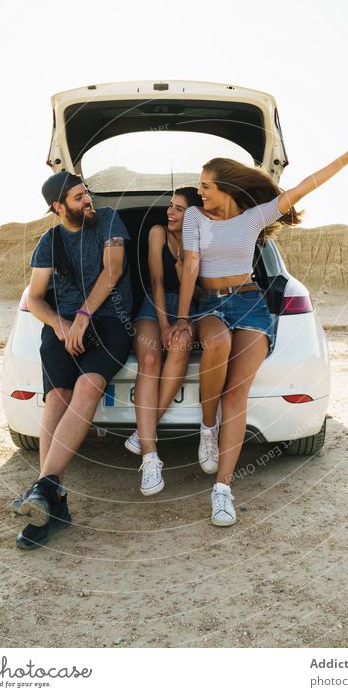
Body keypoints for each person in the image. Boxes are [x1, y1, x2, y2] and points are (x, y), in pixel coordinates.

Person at [170, 132, 348, 527]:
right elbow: (192, 267)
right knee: (217, 341)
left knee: (238, 393)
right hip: (210, 305)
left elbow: (305, 186)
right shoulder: (195, 217)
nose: (199, 193)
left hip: (250, 304)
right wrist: (182, 318)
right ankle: (207, 426)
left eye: (205, 186)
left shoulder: (254, 218)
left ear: (226, 188)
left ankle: (223, 489)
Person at [13, 172, 133, 550]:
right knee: (57, 397)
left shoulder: (109, 220)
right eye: (79, 198)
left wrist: (83, 316)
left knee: (88, 385)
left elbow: (112, 271)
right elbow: (35, 298)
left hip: (110, 322)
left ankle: (43, 490)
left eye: (86, 194)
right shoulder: (48, 242)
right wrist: (62, 325)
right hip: (64, 327)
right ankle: (52, 500)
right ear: (58, 207)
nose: (88, 201)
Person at [126, 187, 202, 496]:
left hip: (189, 309)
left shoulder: (200, 242)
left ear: (194, 216)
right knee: (150, 359)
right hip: (153, 307)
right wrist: (164, 325)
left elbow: (199, 292)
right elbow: (156, 282)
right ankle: (151, 457)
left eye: (179, 209)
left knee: (181, 346)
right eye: (171, 206)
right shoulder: (157, 232)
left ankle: (143, 432)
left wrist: (186, 273)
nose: (170, 212)